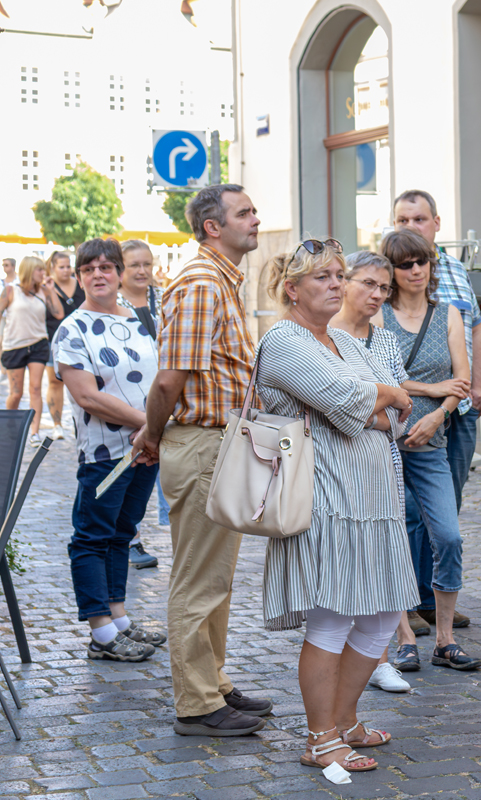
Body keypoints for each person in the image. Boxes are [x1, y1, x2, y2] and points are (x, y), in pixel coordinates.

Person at [255, 240, 418, 774]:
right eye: (321, 276)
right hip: (325, 499)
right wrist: (382, 397)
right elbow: (353, 400)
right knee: (333, 618)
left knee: (382, 614)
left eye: (337, 275)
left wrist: (381, 400)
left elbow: (394, 413)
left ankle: (345, 720)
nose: (334, 284)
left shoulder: (344, 341)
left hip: (373, 501)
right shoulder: (284, 340)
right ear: (291, 289)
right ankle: (321, 739)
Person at [134, 184, 274, 737]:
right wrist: (151, 434)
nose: (256, 219)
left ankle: (213, 682)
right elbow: (169, 380)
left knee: (215, 576)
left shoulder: (219, 279)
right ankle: (197, 703)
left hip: (219, 442)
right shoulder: (200, 282)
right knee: (198, 578)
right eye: (245, 213)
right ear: (213, 227)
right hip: (201, 444)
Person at [52, 238, 166, 663]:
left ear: (119, 273)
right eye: (88, 269)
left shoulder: (137, 319)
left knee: (123, 532)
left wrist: (152, 434)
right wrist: (149, 425)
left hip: (144, 450)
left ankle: (118, 618)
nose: (97, 275)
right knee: (92, 537)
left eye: (106, 267)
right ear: (80, 276)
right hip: (106, 455)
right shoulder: (72, 329)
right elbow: (88, 397)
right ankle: (100, 631)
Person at [378, 228, 481, 672]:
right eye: (405, 264)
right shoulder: (378, 315)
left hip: (431, 442)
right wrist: (432, 388)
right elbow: (379, 378)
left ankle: (444, 639)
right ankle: (404, 637)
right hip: (384, 443)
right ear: (392, 270)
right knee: (395, 536)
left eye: (422, 261)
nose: (416, 270)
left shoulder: (449, 314)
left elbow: (461, 381)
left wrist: (438, 414)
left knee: (449, 536)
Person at [330, 249, 419, 693]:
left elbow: (402, 408)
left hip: (384, 465)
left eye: (384, 287)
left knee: (380, 563)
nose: (377, 294)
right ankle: (338, 656)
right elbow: (330, 408)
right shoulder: (323, 337)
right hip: (336, 466)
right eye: (368, 283)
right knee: (345, 565)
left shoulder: (384, 340)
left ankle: (378, 659)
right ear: (344, 282)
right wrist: (372, 410)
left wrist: (370, 413)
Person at [118, 239, 165, 568]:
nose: (142, 270)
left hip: (163, 398)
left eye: (146, 264)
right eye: (134, 264)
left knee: (159, 474)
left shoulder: (163, 297)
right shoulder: (112, 303)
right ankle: (130, 540)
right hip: (127, 403)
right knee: (128, 474)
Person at [1, 255, 63, 445]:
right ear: (29, 270)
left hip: (38, 345)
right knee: (16, 393)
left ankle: (34, 433)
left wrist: (51, 291)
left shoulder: (43, 291)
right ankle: (9, 428)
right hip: (14, 346)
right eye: (39, 270)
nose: (43, 273)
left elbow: (59, 313)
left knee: (35, 389)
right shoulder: (10, 291)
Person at [45, 250, 86, 441]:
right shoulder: (46, 286)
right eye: (61, 267)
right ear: (52, 268)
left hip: (81, 340)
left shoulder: (80, 283)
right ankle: (57, 424)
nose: (65, 270)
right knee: (55, 382)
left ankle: (80, 422)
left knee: (83, 382)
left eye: (68, 266)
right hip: (54, 339)